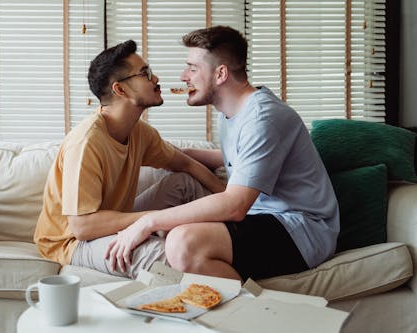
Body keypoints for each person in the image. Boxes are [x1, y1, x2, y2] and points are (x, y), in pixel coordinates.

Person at [106, 26, 340, 282]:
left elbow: (235, 206)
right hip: (264, 218)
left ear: (220, 73)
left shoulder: (264, 118)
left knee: (183, 242)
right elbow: (242, 157)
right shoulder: (232, 113)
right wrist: (176, 155)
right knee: (176, 211)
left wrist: (147, 222)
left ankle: (252, 313)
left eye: (192, 68)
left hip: (302, 229)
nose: (184, 76)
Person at [34, 40, 225, 279]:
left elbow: (184, 163)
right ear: (120, 90)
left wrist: (233, 201)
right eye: (145, 74)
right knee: (167, 256)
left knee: (183, 182)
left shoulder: (139, 133)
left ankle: (235, 236)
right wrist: (153, 221)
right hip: (71, 242)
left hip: (110, 221)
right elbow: (83, 227)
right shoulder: (86, 143)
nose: (155, 79)